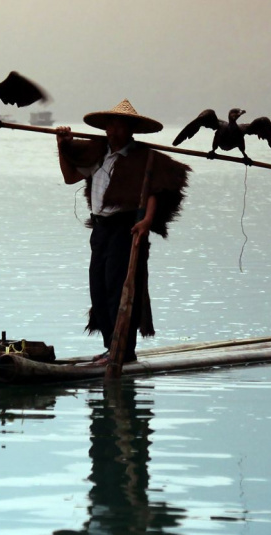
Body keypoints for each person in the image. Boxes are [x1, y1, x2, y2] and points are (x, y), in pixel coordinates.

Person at [56, 100, 190, 364]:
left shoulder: (143, 158)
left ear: (130, 130)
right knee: (99, 289)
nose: (112, 132)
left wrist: (147, 221)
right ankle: (111, 346)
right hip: (101, 230)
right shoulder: (98, 153)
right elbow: (70, 177)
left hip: (126, 228)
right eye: (110, 126)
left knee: (120, 290)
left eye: (118, 127)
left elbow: (155, 190)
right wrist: (62, 146)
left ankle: (124, 352)